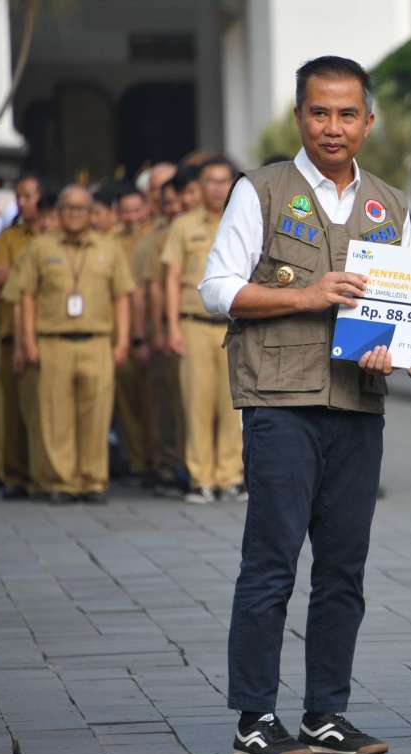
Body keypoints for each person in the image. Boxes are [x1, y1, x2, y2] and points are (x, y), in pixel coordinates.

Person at [200, 55, 411, 754]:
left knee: (344, 568)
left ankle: (327, 710)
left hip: (359, 403)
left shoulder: (390, 202)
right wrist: (306, 295)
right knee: (271, 563)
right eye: (319, 112)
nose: (333, 126)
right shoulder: (259, 190)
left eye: (347, 113)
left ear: (368, 121)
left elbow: (405, 311)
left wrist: (402, 348)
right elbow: (216, 290)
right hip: (280, 401)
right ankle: (255, 716)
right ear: (299, 116)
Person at [8, 185, 133, 505]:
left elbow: (121, 296)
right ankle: (61, 480)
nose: (74, 214)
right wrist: (27, 342)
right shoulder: (40, 247)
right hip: (53, 341)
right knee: (55, 413)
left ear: (92, 213)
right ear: (57, 212)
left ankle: (93, 480)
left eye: (81, 208)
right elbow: (26, 296)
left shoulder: (109, 248)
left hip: (97, 341)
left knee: (97, 414)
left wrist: (122, 342)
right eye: (68, 208)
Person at [164, 156, 245, 503]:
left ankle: (230, 476)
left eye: (224, 180)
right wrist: (171, 327)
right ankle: (200, 477)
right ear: (199, 186)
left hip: (235, 326)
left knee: (232, 405)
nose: (217, 188)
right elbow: (170, 278)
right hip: (194, 325)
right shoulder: (183, 225)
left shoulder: (243, 221)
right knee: (195, 402)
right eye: (210, 181)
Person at [0, 174, 43, 500]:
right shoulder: (8, 238)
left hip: (48, 331)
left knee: (43, 409)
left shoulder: (55, 236)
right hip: (9, 331)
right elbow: (3, 280)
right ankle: (15, 474)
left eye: (29, 196)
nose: (23, 202)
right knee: (10, 409)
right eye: (19, 196)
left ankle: (43, 474)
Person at [134, 178, 186, 496]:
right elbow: (147, 290)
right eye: (167, 199)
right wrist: (149, 332)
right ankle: (168, 467)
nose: (175, 205)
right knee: (168, 402)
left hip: (205, 323)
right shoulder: (151, 240)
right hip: (168, 326)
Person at [113, 183, 154, 483]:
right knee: (127, 402)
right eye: (125, 211)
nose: (131, 216)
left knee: (154, 399)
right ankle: (136, 461)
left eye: (136, 210)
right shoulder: (109, 242)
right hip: (120, 329)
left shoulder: (154, 238)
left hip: (150, 328)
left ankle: (156, 460)